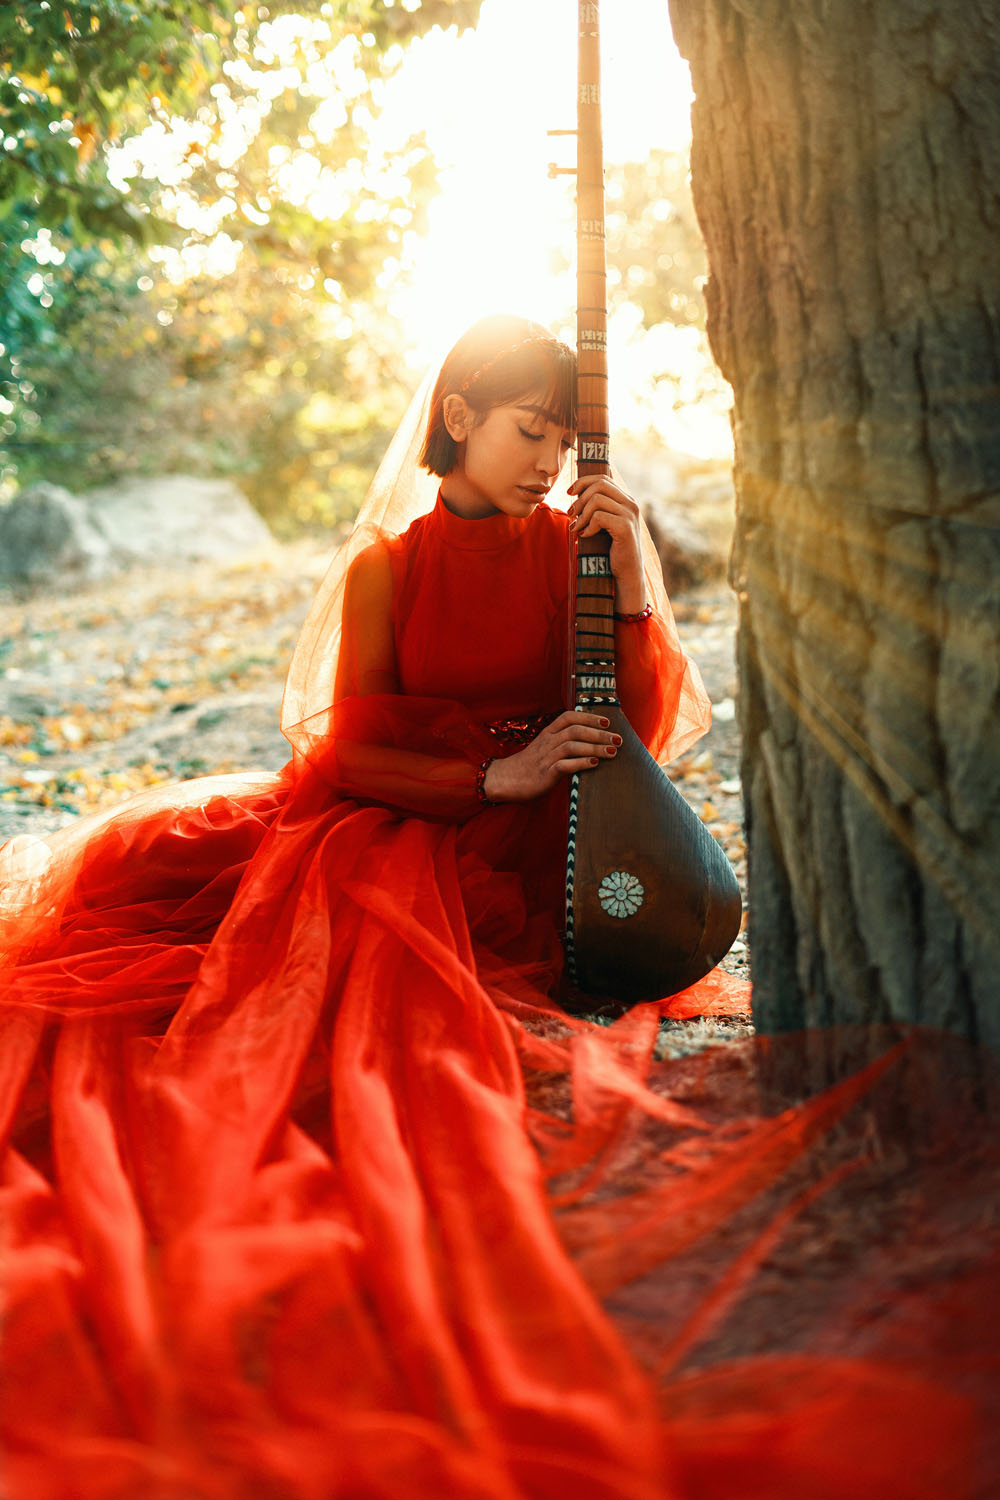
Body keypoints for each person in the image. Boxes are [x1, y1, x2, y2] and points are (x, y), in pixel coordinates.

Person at [0, 316, 990, 1500]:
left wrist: (624, 589)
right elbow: (347, 749)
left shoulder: (565, 548)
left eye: (565, 440)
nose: (547, 460)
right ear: (460, 415)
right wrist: (490, 779)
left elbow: (637, 728)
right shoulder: (387, 564)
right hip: (402, 821)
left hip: (546, 838)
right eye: (530, 430)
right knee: (339, 1003)